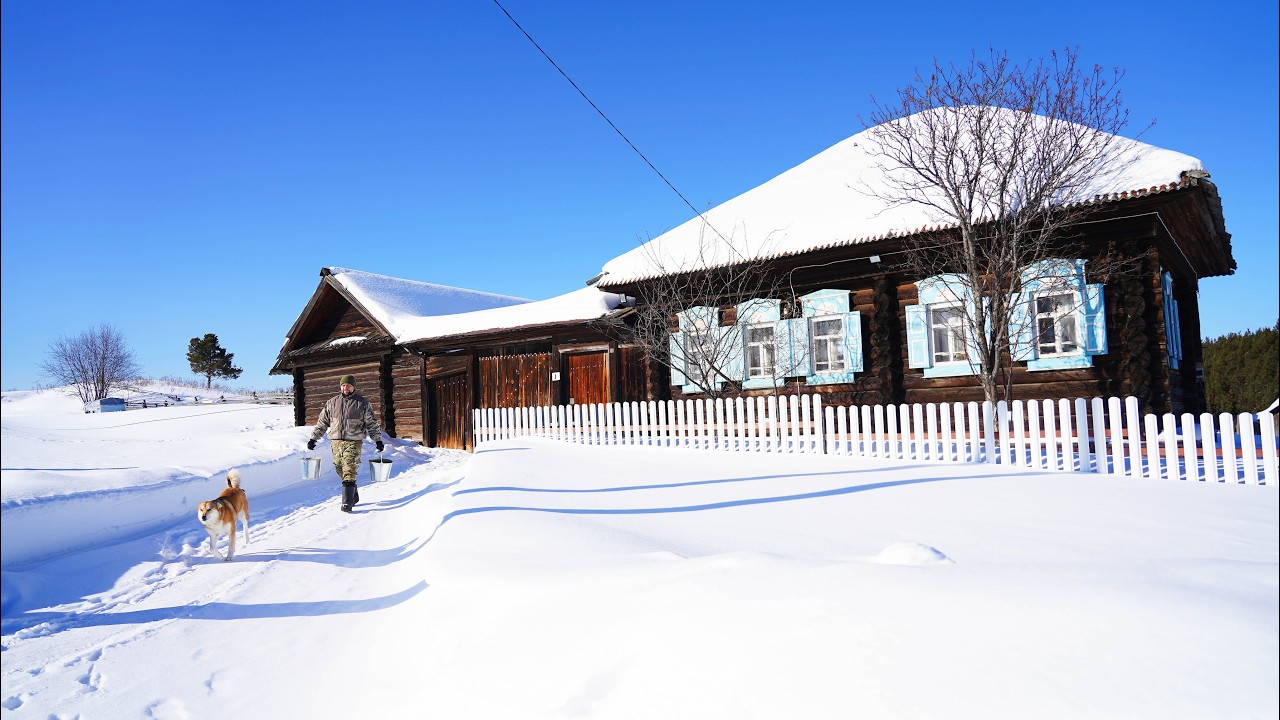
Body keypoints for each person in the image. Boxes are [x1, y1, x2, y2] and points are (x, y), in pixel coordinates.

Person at [307, 374, 384, 512]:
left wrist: (377, 440)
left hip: (353, 442)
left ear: (353, 386)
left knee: (349, 469)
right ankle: (353, 494)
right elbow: (322, 423)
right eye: (343, 385)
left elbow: (371, 423)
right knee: (339, 469)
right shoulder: (332, 402)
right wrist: (313, 438)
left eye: (348, 385)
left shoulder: (362, 403)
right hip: (336, 442)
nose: (345, 388)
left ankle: (346, 503)